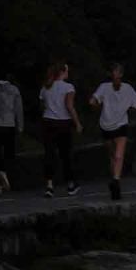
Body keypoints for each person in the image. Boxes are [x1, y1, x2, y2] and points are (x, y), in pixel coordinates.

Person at [90, 63, 136, 201]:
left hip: (121, 125)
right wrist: (95, 103)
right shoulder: (104, 87)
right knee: (113, 155)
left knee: (119, 155)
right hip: (106, 124)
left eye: (118, 72)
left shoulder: (127, 89)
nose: (116, 76)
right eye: (114, 72)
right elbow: (93, 100)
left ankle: (116, 181)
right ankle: (114, 178)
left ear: (121, 74)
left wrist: (130, 108)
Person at [39, 61, 82, 197]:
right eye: (67, 71)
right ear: (62, 72)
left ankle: (49, 185)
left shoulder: (45, 87)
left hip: (48, 123)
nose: (68, 73)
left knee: (49, 154)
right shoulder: (68, 87)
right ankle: (70, 184)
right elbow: (69, 106)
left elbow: (43, 105)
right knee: (66, 155)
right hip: (63, 124)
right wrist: (77, 123)